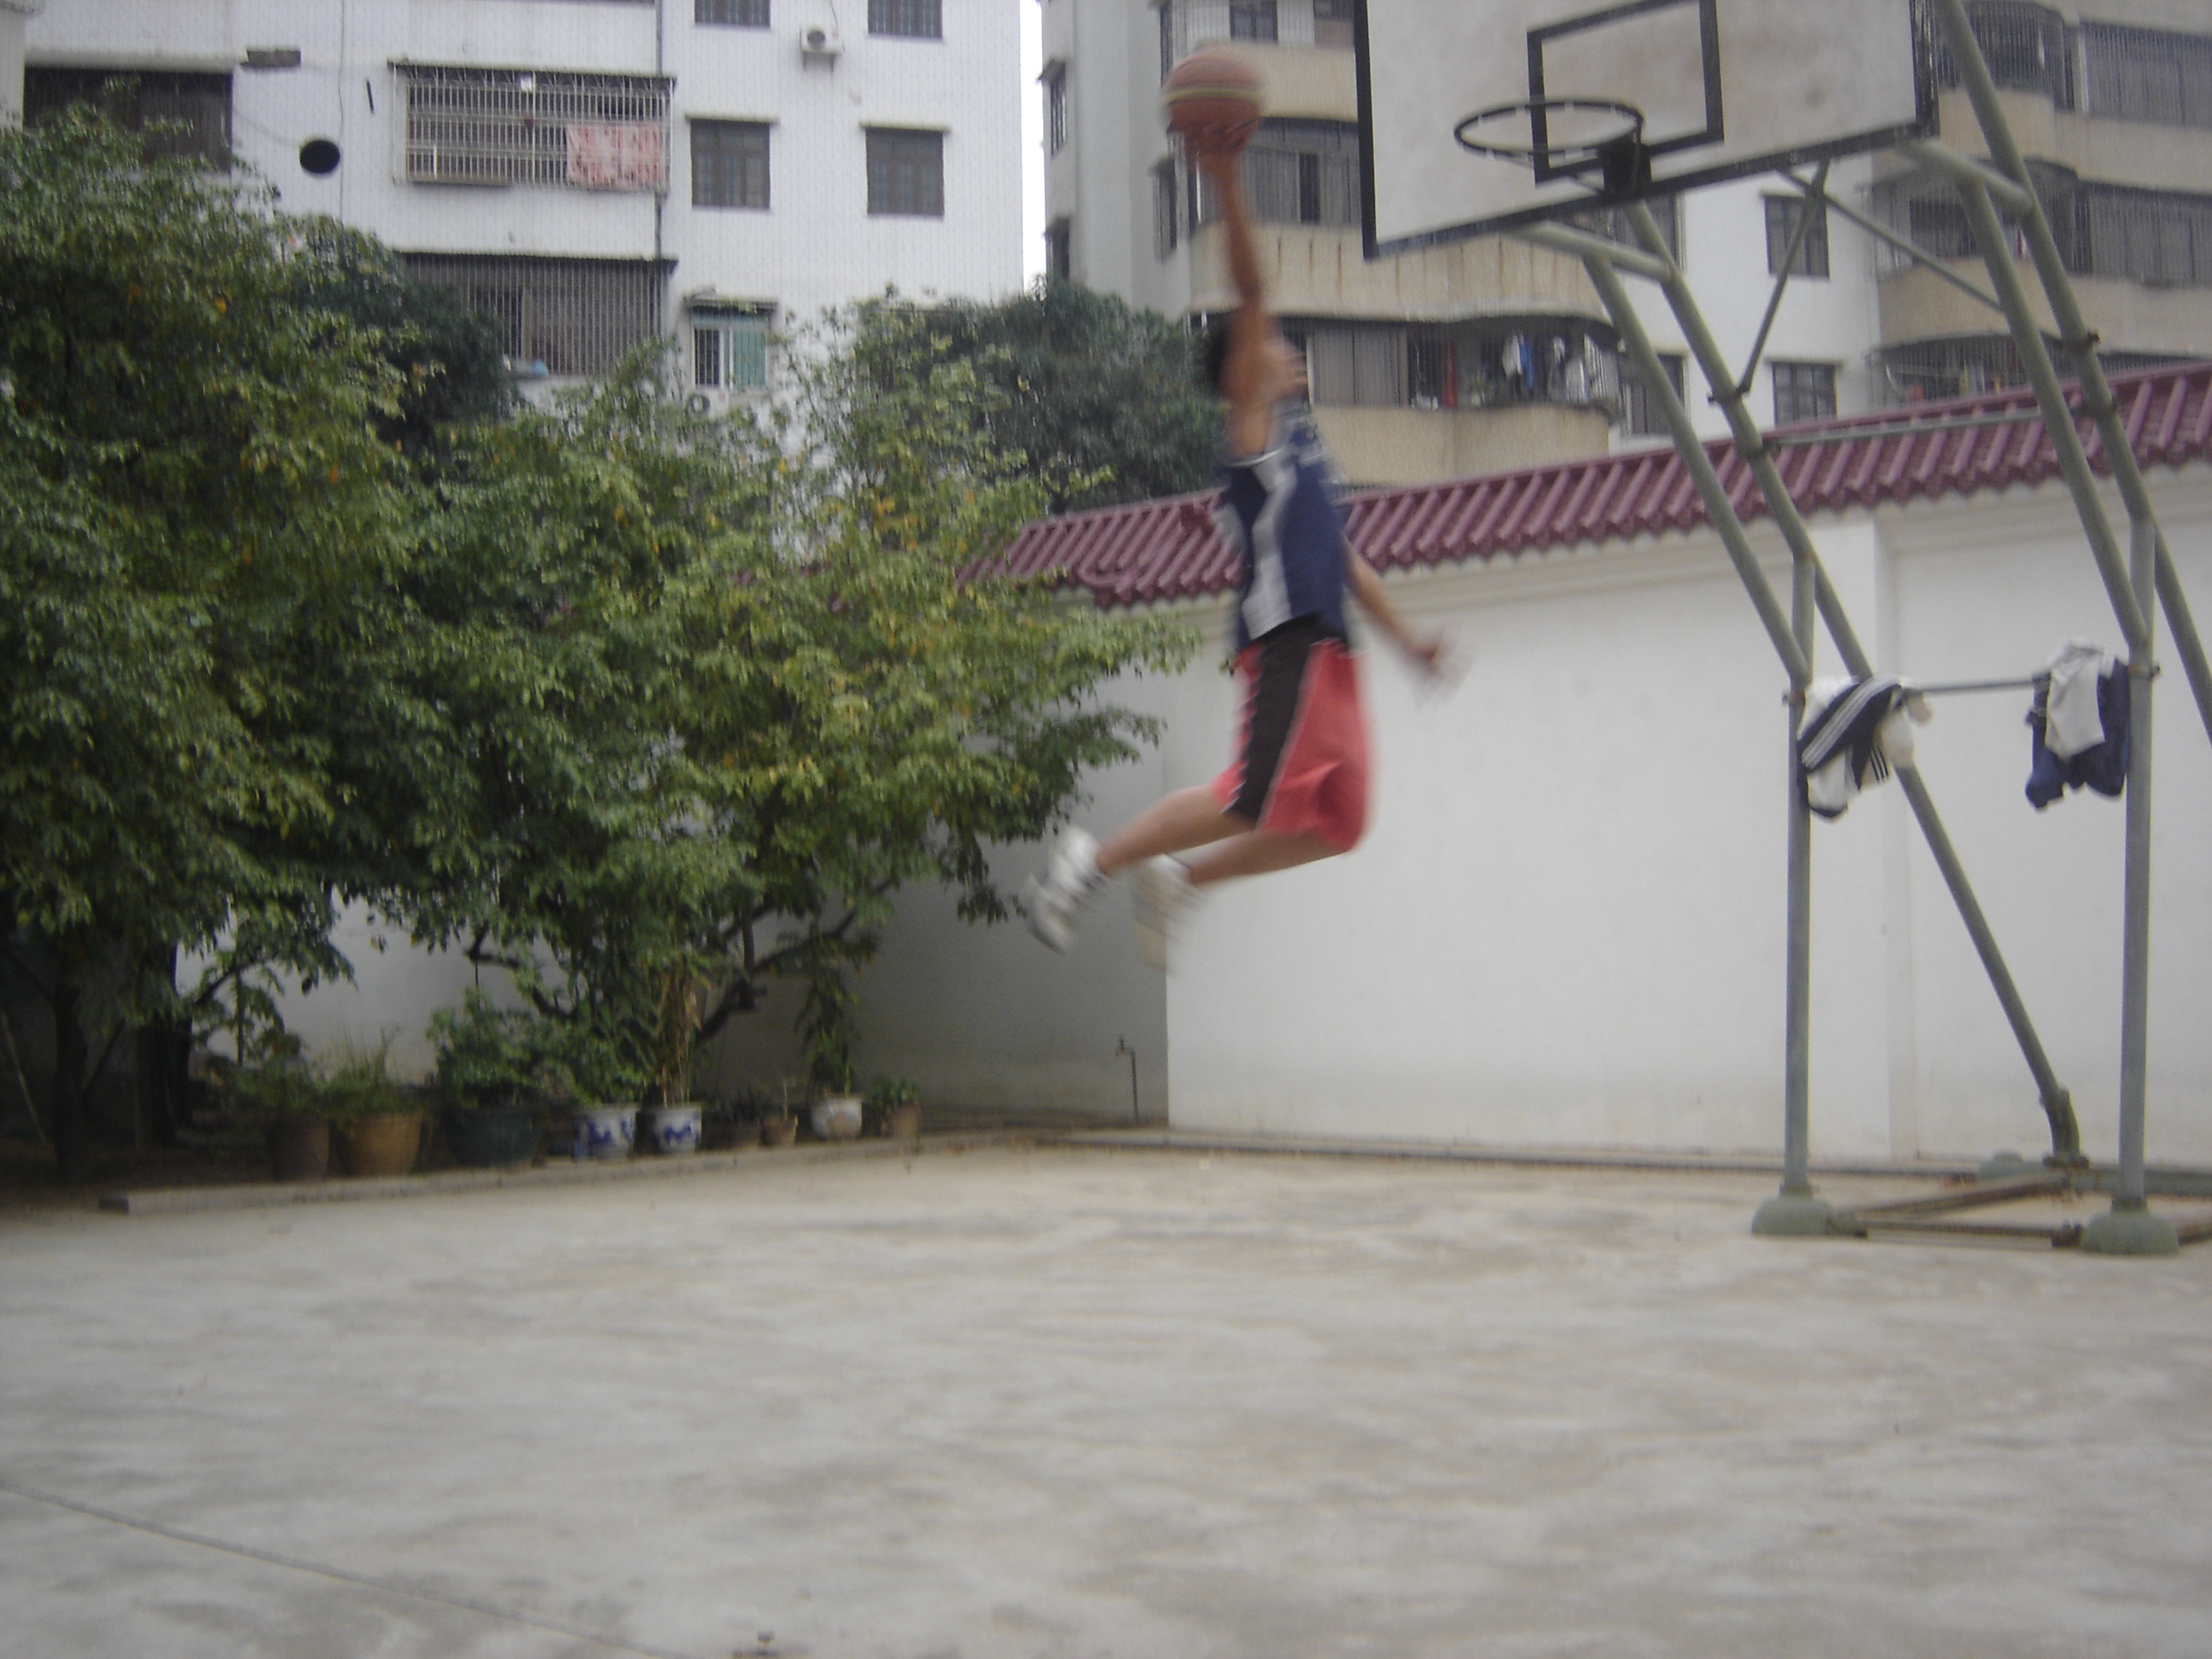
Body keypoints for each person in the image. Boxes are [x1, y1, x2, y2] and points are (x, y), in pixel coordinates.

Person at [1024, 134, 1447, 971]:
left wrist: (1410, 644)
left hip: (1334, 652)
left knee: (1340, 823)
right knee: (1247, 798)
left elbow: (1347, 560)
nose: (1288, 351)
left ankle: (1181, 877)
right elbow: (1254, 289)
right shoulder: (1251, 432)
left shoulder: (1304, 453)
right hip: (1287, 641)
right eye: (1270, 345)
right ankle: (1089, 866)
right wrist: (1224, 178)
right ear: (1242, 371)